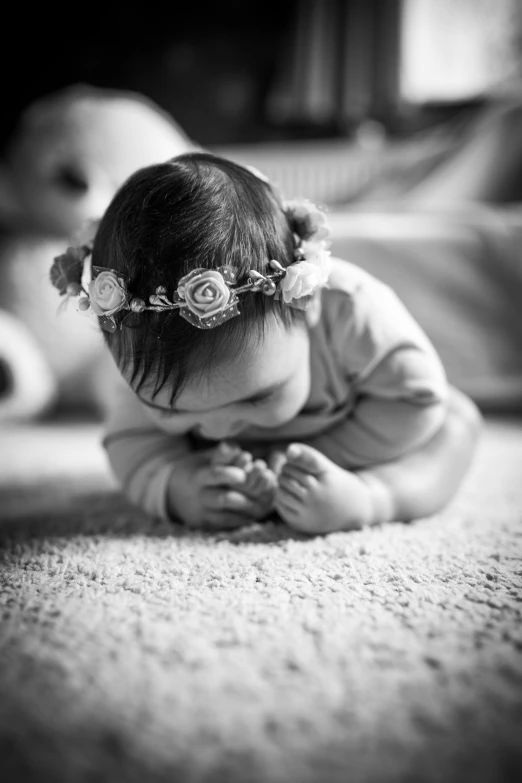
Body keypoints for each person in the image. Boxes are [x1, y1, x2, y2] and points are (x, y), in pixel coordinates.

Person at [49, 152, 482, 535]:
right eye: (173, 410)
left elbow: (416, 400)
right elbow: (130, 444)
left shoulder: (352, 311)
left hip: (361, 436)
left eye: (257, 398)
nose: (219, 430)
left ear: (306, 305)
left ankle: (373, 499)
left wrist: (320, 460)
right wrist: (178, 486)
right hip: (234, 474)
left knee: (457, 419)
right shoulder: (140, 351)